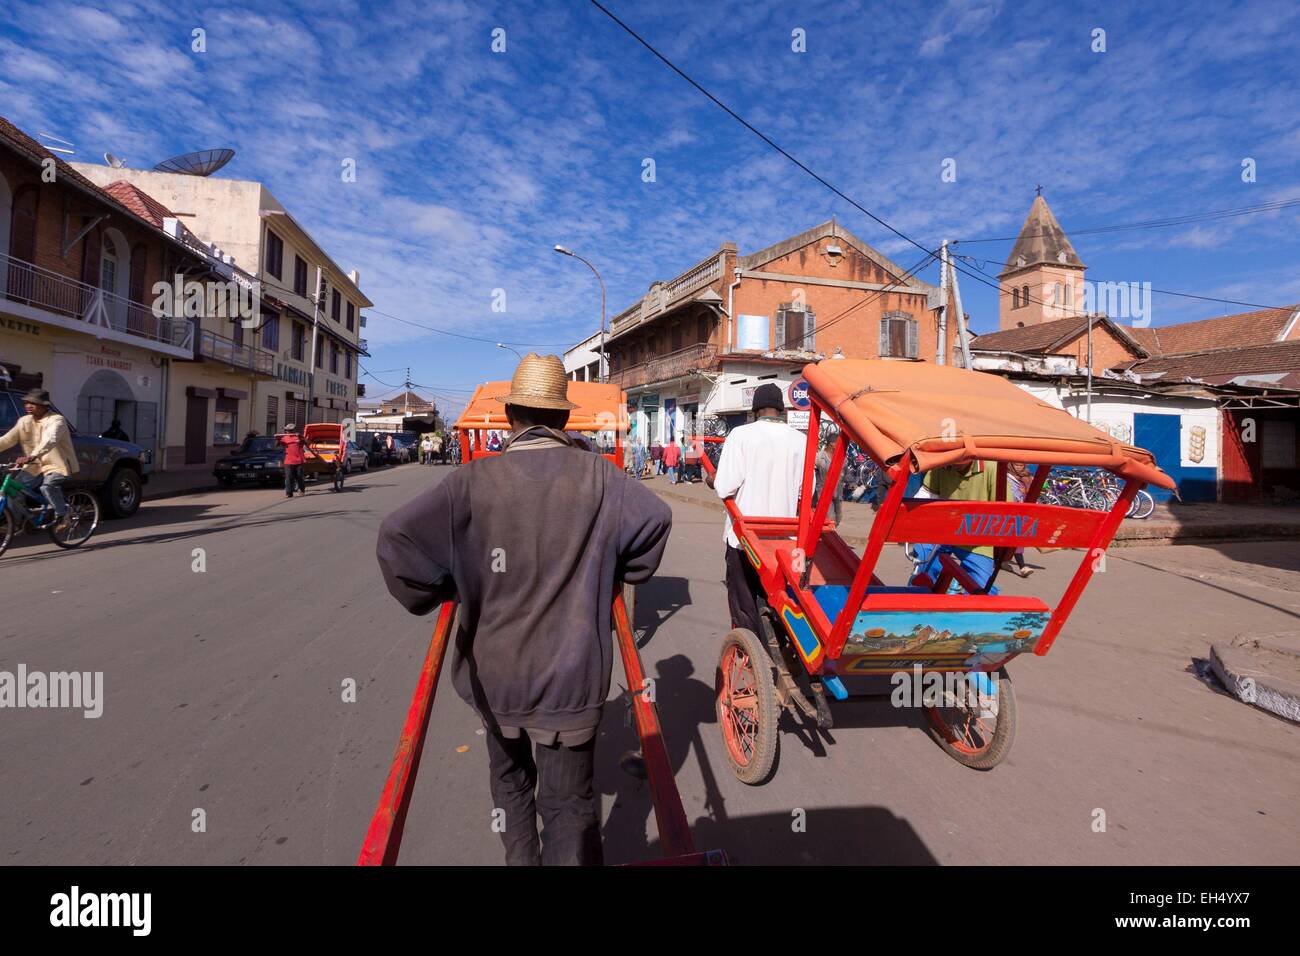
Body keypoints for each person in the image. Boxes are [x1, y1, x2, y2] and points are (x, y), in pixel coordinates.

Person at [377, 353, 672, 866]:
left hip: (498, 679)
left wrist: (444, 587)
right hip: (571, 682)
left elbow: (397, 540)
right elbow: (655, 522)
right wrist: (616, 564)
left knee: (511, 788)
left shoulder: (471, 481)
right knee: (568, 806)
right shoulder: (600, 478)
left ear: (511, 417)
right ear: (562, 419)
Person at [708, 383, 805, 636]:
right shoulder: (801, 440)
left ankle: (748, 652)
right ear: (780, 410)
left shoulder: (740, 435)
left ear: (755, 410)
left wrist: (712, 480)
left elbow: (724, 487)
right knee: (778, 597)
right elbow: (806, 491)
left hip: (744, 538)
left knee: (744, 601)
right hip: (784, 540)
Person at [909, 460, 1003, 593]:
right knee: (923, 554)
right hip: (945, 532)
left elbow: (1004, 512)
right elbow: (925, 495)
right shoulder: (943, 464)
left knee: (982, 589)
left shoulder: (992, 469)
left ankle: (953, 582)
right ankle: (930, 588)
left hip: (977, 539)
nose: (956, 461)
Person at [0, 389, 78, 527]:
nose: (28, 406)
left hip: (57, 464)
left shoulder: (57, 420)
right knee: (14, 490)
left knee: (47, 487)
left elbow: (50, 440)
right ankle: (14, 525)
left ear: (44, 406)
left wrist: (32, 455)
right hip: (34, 465)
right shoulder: (23, 421)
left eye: (33, 403)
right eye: (26, 403)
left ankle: (63, 514)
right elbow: (7, 440)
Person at [813, 437, 843, 526]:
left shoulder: (840, 456)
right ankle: (827, 534)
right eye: (838, 443)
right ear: (832, 444)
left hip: (838, 491)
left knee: (838, 517)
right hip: (823, 490)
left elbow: (844, 471)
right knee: (830, 517)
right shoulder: (819, 457)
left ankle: (830, 532)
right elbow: (814, 474)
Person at [278, 423, 308, 497]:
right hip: (288, 461)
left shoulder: (298, 437)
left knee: (299, 476)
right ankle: (289, 493)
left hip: (299, 461)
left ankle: (301, 490)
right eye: (287, 430)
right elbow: (276, 445)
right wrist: (278, 439)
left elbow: (308, 443)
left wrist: (301, 438)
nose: (287, 432)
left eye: (289, 430)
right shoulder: (284, 438)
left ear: (293, 430)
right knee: (288, 477)